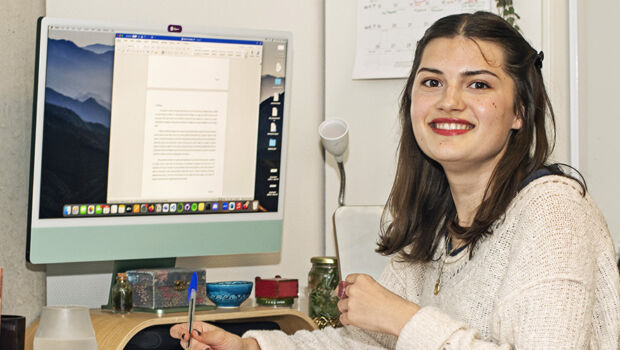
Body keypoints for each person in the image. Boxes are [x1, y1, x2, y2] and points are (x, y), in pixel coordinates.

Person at [171, 11, 620, 349]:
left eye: (478, 85)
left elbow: (397, 326)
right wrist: (251, 346)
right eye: (431, 82)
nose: (449, 101)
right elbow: (365, 342)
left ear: (520, 111)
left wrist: (404, 318)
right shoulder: (435, 221)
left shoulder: (554, 213)